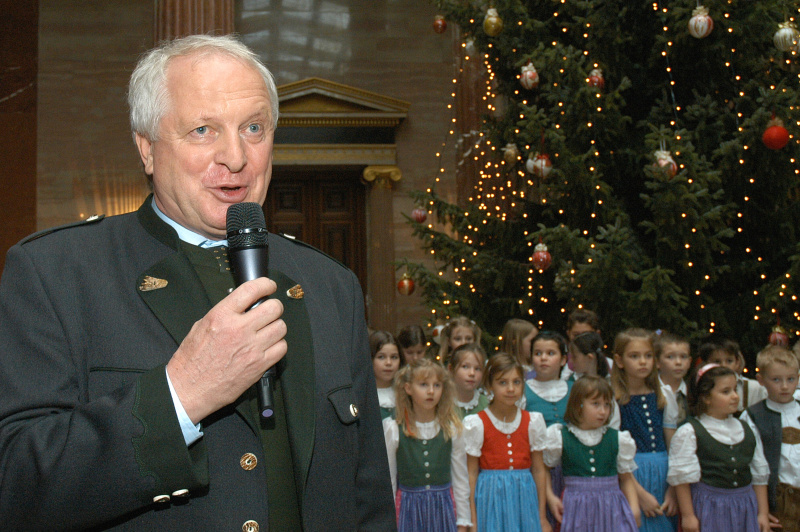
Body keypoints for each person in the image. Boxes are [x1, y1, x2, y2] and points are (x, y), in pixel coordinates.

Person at [0, 35, 395, 531]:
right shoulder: (58, 273)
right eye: (203, 129)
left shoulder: (329, 284)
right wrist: (180, 395)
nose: (236, 156)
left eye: (254, 127)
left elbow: (369, 499)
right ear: (146, 149)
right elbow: (15, 487)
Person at [667, 364, 771, 532]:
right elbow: (682, 479)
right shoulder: (690, 431)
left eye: (735, 390)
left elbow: (759, 475)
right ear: (706, 397)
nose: (735, 396)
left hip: (745, 506)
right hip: (710, 506)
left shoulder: (746, 428)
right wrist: (688, 516)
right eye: (726, 391)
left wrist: (763, 513)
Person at [463, 353, 550, 532]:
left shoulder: (532, 421)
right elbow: (471, 473)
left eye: (516, 382)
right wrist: (472, 520)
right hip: (490, 499)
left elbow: (539, 469)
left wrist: (541, 517)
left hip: (524, 499)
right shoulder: (476, 423)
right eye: (503, 382)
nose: (511, 389)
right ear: (489, 385)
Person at [543, 376, 639, 532]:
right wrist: (550, 496)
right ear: (578, 405)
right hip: (575, 508)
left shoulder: (617, 439)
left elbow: (626, 478)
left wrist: (634, 508)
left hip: (611, 509)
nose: (603, 411)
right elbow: (544, 469)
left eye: (607, 405)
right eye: (596, 404)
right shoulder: (560, 437)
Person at [384, 359, 471, 531]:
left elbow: (460, 478)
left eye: (437, 385)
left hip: (443, 508)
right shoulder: (394, 429)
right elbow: (390, 481)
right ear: (408, 388)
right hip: (408, 509)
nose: (431, 391)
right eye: (423, 384)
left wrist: (463, 521)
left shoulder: (451, 428)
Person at [612, 328, 677, 532]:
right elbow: (614, 452)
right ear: (619, 360)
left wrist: (674, 489)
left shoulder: (664, 395)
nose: (643, 362)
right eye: (634, 356)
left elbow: (673, 446)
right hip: (630, 475)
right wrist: (639, 495)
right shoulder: (614, 400)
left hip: (664, 474)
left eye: (648, 356)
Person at [740, 345, 800, 532]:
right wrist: (762, 510)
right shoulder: (753, 416)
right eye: (776, 380)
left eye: (790, 379)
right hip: (778, 499)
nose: (784, 386)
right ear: (761, 380)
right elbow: (755, 466)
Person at [698, 337, 766, 413]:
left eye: (729, 361)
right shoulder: (702, 388)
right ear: (706, 364)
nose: (724, 366)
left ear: (737, 362)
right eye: (717, 362)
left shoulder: (755, 388)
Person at [523, 331, 571, 427]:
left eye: (551, 353)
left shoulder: (574, 388)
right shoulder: (522, 390)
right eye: (538, 353)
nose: (543, 358)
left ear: (563, 360)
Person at [654, 331, 691, 446]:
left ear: (690, 361)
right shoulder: (650, 392)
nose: (678, 362)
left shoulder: (693, 393)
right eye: (670, 357)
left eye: (683, 357)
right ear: (657, 362)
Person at [448, 343, 489, 418]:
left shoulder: (487, 405)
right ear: (451, 369)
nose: (472, 373)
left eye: (477, 369)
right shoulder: (442, 404)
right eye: (465, 367)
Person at [372, 330, 402, 419]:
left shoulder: (406, 393)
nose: (388, 363)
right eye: (381, 357)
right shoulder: (363, 397)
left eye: (394, 357)